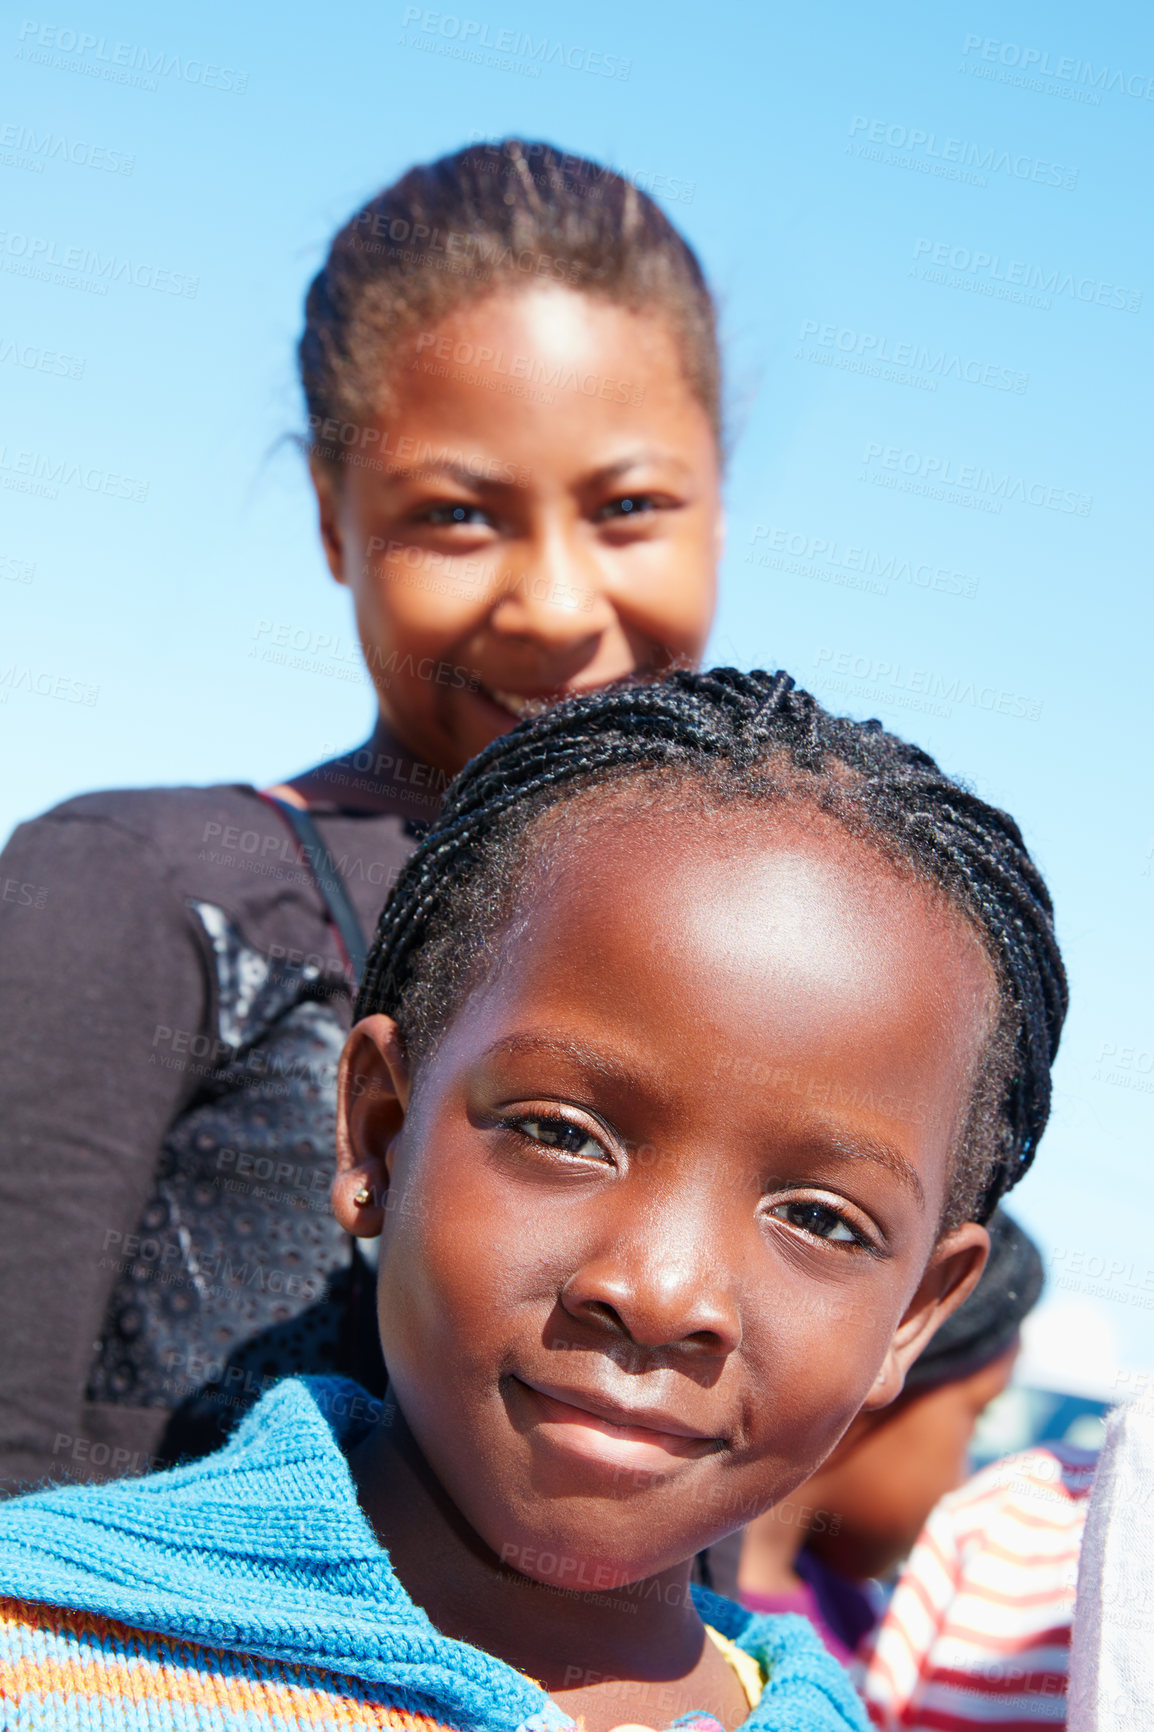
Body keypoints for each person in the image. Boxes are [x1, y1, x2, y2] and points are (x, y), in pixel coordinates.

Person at [0, 668, 1066, 1732]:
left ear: (914, 1314)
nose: (659, 1293)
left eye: (822, 1219)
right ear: (380, 1128)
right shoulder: (44, 1651)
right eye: (560, 1134)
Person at [0, 139, 723, 1490]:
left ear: (717, 503)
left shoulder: (740, 977)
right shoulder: (142, 894)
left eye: (627, 507)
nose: (557, 605)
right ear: (334, 518)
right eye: (457, 516)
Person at [711, 1212, 1044, 1665]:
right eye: (977, 1418)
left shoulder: (856, 1619)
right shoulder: (674, 1620)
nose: (964, 1479)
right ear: (897, 1352)